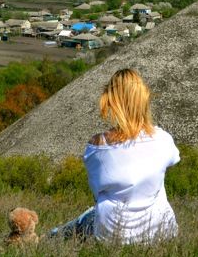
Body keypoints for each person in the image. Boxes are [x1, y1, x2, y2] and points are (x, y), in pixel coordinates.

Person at [49, 68, 180, 243]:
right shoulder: (163, 140)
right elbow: (171, 164)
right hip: (161, 230)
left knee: (81, 221)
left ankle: (45, 239)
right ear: (144, 100)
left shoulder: (99, 145)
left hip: (111, 233)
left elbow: (97, 193)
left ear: (111, 101)